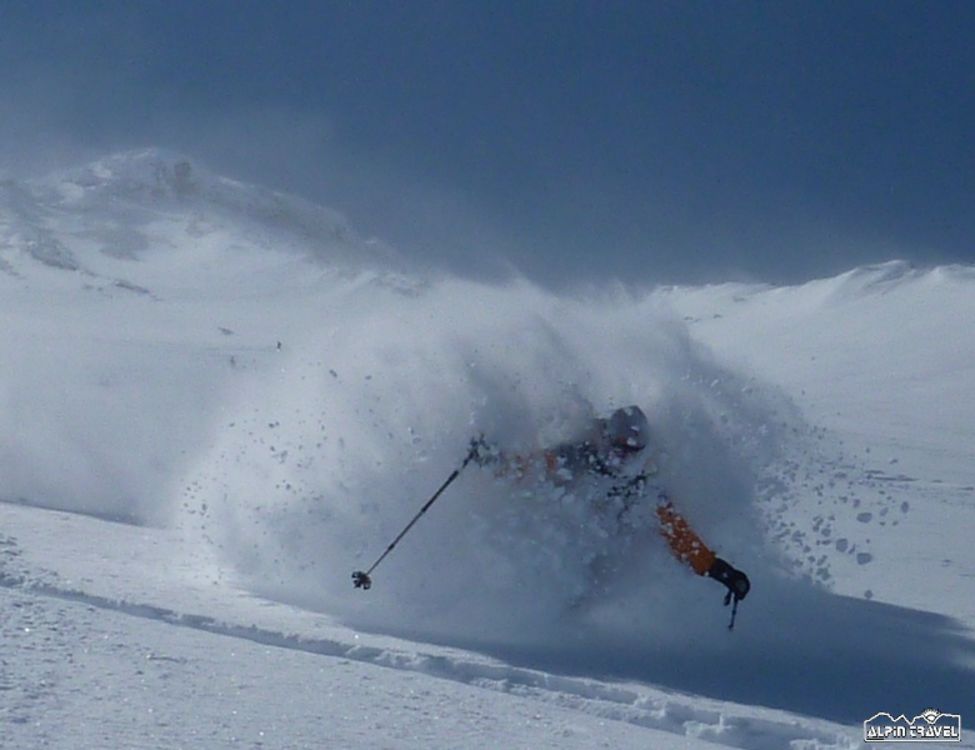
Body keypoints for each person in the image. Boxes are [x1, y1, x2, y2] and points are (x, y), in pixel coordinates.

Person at [470, 405, 751, 611]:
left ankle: (565, 627)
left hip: (602, 548)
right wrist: (493, 459)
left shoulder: (645, 485)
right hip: (561, 532)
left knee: (592, 583)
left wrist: (722, 572)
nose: (624, 456)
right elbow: (533, 467)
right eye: (619, 447)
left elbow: (681, 538)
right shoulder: (579, 455)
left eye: (633, 450)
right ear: (606, 437)